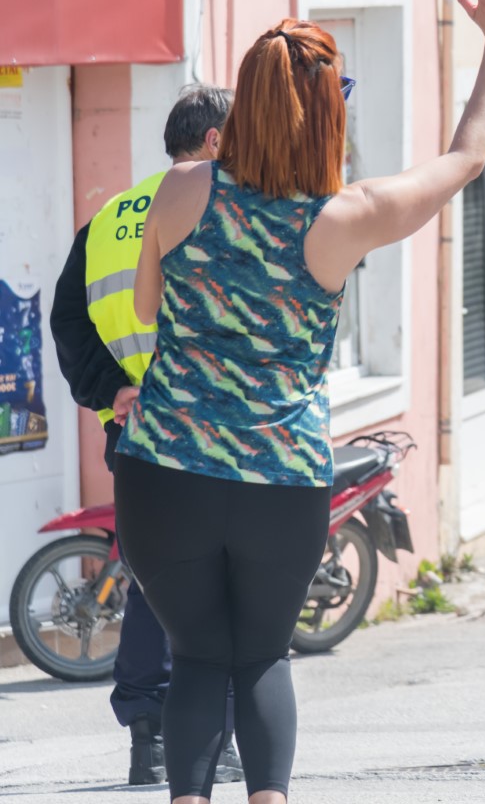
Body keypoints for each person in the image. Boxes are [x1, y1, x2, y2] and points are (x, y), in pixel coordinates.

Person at [113, 0, 485, 804]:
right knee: (261, 657)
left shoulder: (182, 189)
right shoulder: (345, 218)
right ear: (331, 110)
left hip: (166, 471)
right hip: (281, 479)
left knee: (196, 658)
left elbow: (146, 309)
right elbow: (465, 159)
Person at [49, 88, 245, 788]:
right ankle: (212, 739)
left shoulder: (107, 219)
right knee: (224, 587)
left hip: (133, 435)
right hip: (212, 429)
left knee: (154, 580)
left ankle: (148, 736)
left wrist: (111, 391)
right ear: (217, 141)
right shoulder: (221, 206)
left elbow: (68, 322)